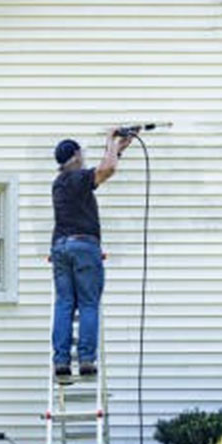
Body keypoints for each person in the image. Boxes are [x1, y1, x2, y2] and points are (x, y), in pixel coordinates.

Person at [50, 129, 134, 378]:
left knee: (64, 304)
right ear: (75, 157)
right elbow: (107, 170)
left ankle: (61, 362)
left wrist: (119, 148)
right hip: (84, 246)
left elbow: (105, 166)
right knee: (88, 303)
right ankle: (86, 360)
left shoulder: (60, 183)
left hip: (60, 248)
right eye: (81, 153)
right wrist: (109, 140)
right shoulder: (77, 177)